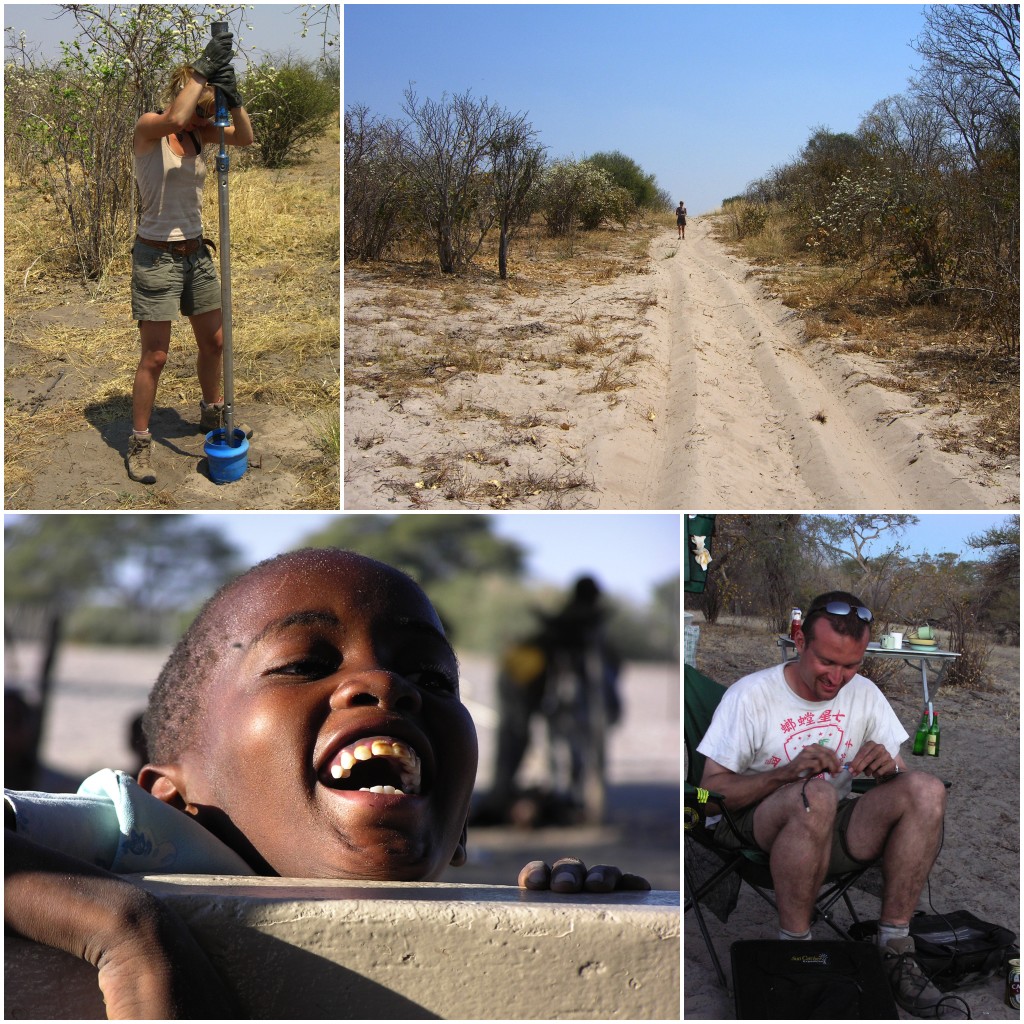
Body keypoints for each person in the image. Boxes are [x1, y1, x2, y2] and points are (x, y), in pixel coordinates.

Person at [5, 549, 648, 1018]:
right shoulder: (117, 834)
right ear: (170, 795)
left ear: (459, 836)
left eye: (431, 676)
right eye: (306, 663)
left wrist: (592, 919)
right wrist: (127, 927)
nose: (386, 685)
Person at [697, 591, 949, 1017]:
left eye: (851, 665)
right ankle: (796, 953)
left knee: (926, 789)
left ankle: (894, 949)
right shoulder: (751, 696)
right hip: (754, 824)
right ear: (800, 642)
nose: (838, 677)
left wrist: (887, 770)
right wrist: (784, 774)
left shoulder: (865, 694)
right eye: (827, 662)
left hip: (836, 822)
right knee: (814, 794)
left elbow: (899, 777)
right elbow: (706, 796)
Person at [127, 33, 254, 484]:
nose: (203, 112)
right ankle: (139, 442)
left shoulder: (200, 134)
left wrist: (233, 98)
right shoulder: (150, 128)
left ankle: (211, 412)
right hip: (156, 256)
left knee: (215, 343)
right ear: (187, 92)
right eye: (203, 100)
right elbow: (176, 115)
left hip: (197, 253)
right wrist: (204, 67)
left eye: (209, 103)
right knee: (156, 356)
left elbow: (246, 136)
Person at [480, 575, 622, 826]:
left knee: (517, 738)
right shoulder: (579, 621)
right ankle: (500, 799)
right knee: (516, 738)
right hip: (521, 679)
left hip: (520, 674)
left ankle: (502, 797)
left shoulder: (576, 619)